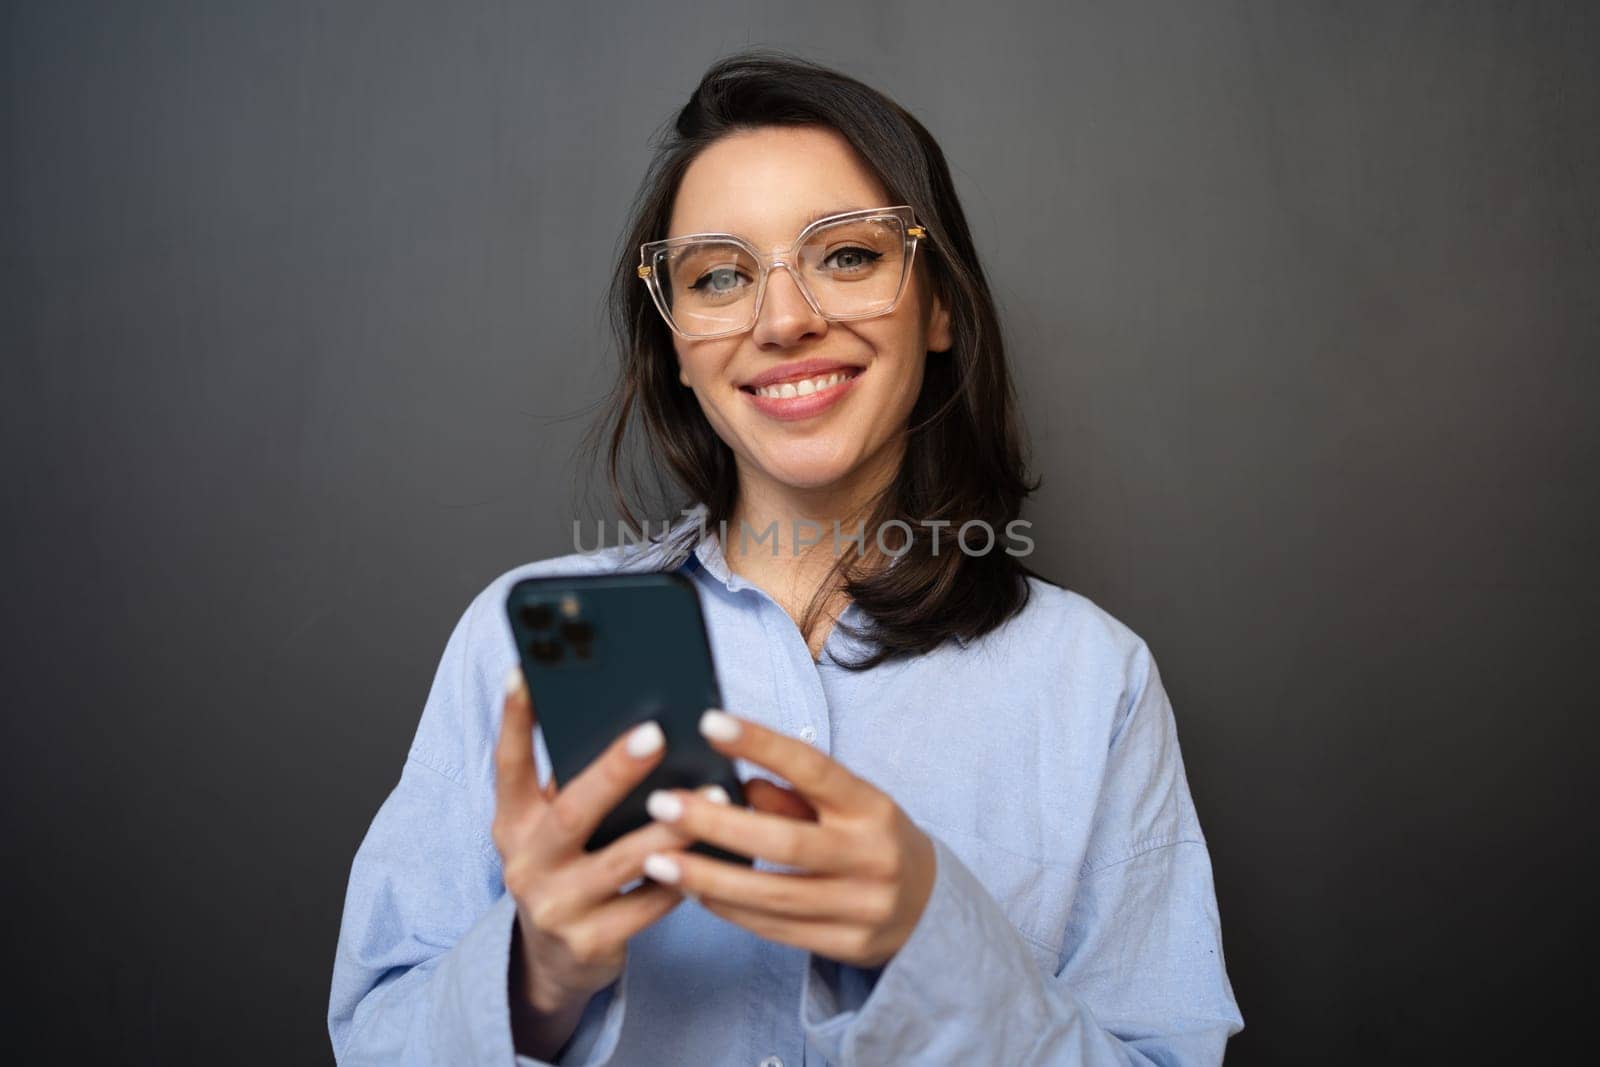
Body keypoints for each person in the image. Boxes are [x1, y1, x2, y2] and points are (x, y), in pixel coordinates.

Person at [328, 50, 1243, 1066]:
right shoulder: (514, 645)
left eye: (846, 255)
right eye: (719, 275)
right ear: (677, 342)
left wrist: (935, 936)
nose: (783, 318)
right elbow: (372, 1040)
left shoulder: (1093, 679)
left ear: (938, 304)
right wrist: (534, 971)